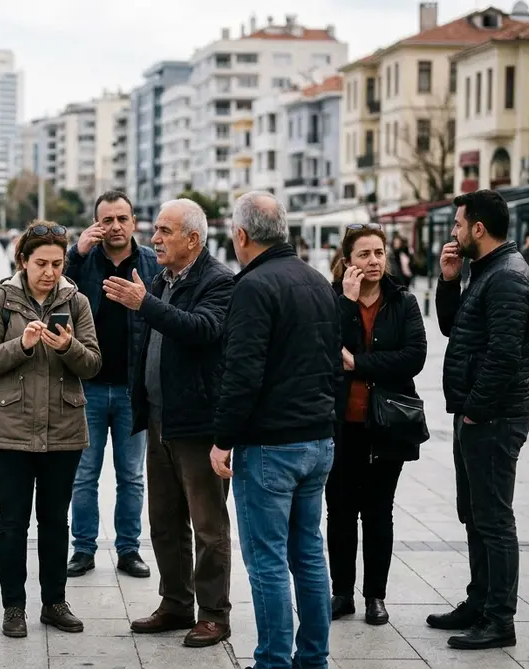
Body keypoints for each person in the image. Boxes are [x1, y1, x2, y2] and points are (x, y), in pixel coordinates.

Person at [207, 192, 339, 668]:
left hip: (271, 446)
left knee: (266, 561)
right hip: (317, 439)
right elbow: (332, 363)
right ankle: (314, 658)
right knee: (307, 554)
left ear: (241, 236)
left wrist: (223, 439)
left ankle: (273, 661)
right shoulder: (317, 281)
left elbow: (242, 373)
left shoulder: (253, 286)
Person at [0, 221, 102, 638]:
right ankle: (14, 607)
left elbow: (93, 364)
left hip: (64, 428)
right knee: (12, 521)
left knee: (54, 519)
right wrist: (22, 345)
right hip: (9, 428)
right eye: (41, 263)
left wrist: (67, 347)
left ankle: (54, 602)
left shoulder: (76, 301)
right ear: (23, 261)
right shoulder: (1, 301)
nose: (50, 272)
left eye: (57, 263)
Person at [121, 199, 236, 649]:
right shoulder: (162, 278)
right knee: (164, 520)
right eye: (155, 231)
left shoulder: (219, 281)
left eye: (165, 231)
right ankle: (174, 603)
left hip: (198, 422)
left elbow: (202, 329)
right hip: (159, 418)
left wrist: (145, 304)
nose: (155, 239)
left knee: (208, 526)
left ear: (193, 238)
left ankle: (213, 613)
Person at [430, 189, 529, 650]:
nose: (453, 234)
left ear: (478, 228)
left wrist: (476, 408)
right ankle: (479, 601)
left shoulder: (508, 277)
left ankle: (499, 619)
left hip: (493, 417)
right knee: (474, 514)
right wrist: (449, 281)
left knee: (493, 518)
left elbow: (505, 355)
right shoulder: (486, 271)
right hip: (476, 414)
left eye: (458, 225)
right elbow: (456, 328)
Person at [327, 223, 428, 626]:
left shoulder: (402, 301)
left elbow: (413, 357)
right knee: (339, 511)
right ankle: (340, 593)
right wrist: (347, 304)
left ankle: (375, 597)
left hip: (387, 424)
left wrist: (359, 363)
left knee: (378, 512)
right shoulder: (332, 298)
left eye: (379, 253)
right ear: (347, 260)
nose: (373, 261)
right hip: (340, 423)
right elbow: (323, 349)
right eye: (364, 254)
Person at [64, 190, 160, 580]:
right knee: (84, 474)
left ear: (134, 222)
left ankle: (129, 549)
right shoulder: (84, 261)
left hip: (133, 389)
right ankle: (83, 548)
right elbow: (55, 294)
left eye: (122, 219)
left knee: (131, 475)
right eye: (107, 220)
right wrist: (75, 254)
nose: (115, 227)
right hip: (87, 386)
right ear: (96, 224)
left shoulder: (152, 263)